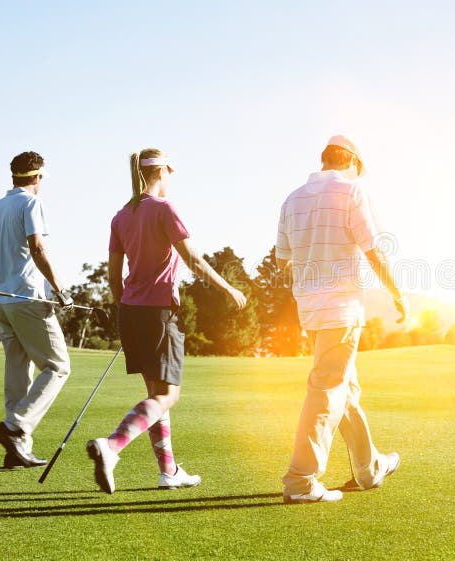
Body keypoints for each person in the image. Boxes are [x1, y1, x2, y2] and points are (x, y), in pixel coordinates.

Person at [87, 148, 247, 494]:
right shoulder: (164, 209)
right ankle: (112, 446)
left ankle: (169, 471)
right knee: (168, 396)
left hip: (131, 312)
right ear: (162, 171)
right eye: (171, 171)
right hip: (159, 313)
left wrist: (123, 309)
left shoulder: (120, 216)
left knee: (155, 394)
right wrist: (227, 289)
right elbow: (193, 260)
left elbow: (115, 277)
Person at [276, 135, 409, 503]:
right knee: (327, 389)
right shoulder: (352, 191)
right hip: (341, 307)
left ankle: (369, 469)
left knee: (344, 391)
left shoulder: (291, 199)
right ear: (351, 161)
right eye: (359, 169)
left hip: (312, 309)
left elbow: (281, 258)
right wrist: (398, 294)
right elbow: (373, 250)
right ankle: (300, 481)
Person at [0, 151, 73, 468]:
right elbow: (37, 247)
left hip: (2, 303)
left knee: (18, 374)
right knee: (58, 367)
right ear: (38, 177)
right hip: (27, 300)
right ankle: (15, 427)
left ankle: (16, 451)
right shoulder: (31, 203)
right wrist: (60, 290)